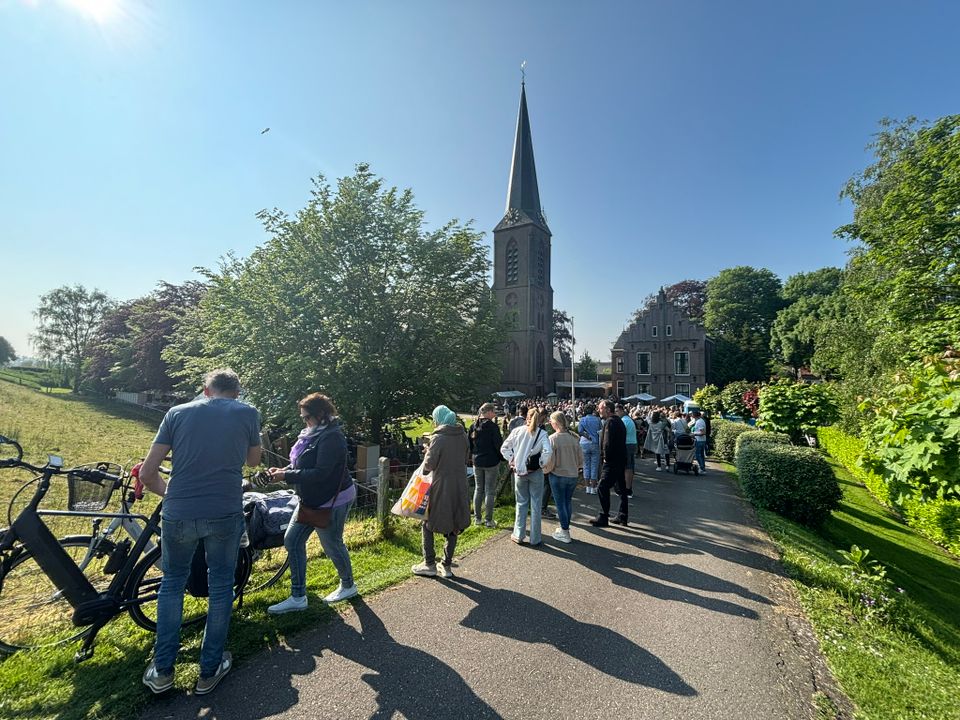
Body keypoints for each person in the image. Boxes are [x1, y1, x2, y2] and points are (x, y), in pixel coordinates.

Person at [139, 369, 262, 696]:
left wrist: (170, 494)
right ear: (236, 392)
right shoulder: (248, 413)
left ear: (206, 390)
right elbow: (253, 461)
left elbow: (148, 473)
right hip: (224, 511)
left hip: (179, 512)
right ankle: (210, 669)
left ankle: (162, 670)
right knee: (221, 583)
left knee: (172, 583)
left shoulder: (176, 413)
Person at [265, 393, 357, 614]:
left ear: (321, 415)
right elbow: (302, 462)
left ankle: (348, 585)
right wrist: (284, 470)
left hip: (331, 501)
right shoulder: (311, 434)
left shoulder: (332, 438)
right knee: (292, 540)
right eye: (302, 417)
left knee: (332, 544)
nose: (304, 421)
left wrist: (286, 477)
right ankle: (298, 597)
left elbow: (321, 473)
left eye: (307, 417)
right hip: (311, 500)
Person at [412, 405, 471, 578]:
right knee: (454, 523)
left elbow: (429, 465)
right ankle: (446, 565)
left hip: (441, 486)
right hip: (460, 485)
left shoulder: (438, 438)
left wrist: (427, 452)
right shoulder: (463, 436)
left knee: (428, 522)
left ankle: (429, 563)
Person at [500, 407, 553, 546]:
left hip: (519, 471)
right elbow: (548, 451)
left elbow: (504, 448)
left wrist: (512, 460)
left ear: (526, 418)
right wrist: (541, 463)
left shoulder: (517, 431)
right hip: (535, 472)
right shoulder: (542, 434)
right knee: (536, 504)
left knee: (521, 503)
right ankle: (535, 538)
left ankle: (518, 534)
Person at [546, 411, 584, 543]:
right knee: (567, 502)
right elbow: (580, 459)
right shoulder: (574, 437)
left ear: (555, 423)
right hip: (572, 475)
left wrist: (546, 470)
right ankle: (565, 529)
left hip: (558, 474)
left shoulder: (553, 439)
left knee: (560, 503)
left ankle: (565, 530)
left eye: (551, 421)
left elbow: (550, 460)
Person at [590, 400, 627, 527]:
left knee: (602, 487)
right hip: (621, 459)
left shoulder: (609, 422)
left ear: (607, 409)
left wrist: (606, 457)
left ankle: (603, 516)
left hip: (612, 461)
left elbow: (607, 442)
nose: (598, 410)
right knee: (622, 488)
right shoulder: (619, 421)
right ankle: (623, 515)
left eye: (600, 408)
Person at [470, 402, 503, 527]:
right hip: (491, 461)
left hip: (477, 461)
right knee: (489, 491)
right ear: (488, 412)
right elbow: (498, 445)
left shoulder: (474, 426)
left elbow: (470, 443)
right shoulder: (493, 427)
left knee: (478, 489)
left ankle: (477, 519)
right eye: (493, 412)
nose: (494, 414)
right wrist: (502, 458)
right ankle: (489, 520)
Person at [578, 404, 602, 494]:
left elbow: (580, 431)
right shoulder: (597, 419)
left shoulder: (582, 420)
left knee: (586, 465)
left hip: (584, 443)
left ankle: (587, 487)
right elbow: (600, 431)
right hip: (595, 443)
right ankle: (593, 487)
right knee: (594, 466)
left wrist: (587, 435)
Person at [615, 404, 637, 497]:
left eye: (616, 411)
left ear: (621, 410)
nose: (616, 414)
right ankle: (628, 488)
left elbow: (619, 435)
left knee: (626, 468)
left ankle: (626, 489)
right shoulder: (629, 420)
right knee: (630, 467)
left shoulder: (623, 421)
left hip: (626, 444)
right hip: (632, 443)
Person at [691, 409, 708, 474]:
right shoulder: (700, 421)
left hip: (700, 440)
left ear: (695, 415)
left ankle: (702, 468)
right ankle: (702, 468)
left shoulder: (699, 422)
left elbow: (703, 432)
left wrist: (694, 434)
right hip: (701, 440)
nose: (691, 416)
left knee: (698, 455)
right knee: (701, 455)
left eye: (692, 415)